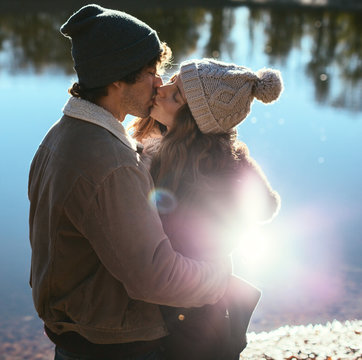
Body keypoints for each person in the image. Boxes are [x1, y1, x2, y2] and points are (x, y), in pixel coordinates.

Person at [28, 5, 236, 360]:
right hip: (113, 347)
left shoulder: (60, 135)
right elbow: (154, 276)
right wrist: (218, 278)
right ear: (116, 80)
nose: (159, 82)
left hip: (79, 336)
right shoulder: (109, 163)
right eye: (150, 73)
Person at [130, 58, 283, 359]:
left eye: (176, 96)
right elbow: (268, 206)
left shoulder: (184, 170)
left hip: (189, 313)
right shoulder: (224, 157)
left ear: (194, 121)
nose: (162, 89)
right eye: (172, 81)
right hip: (199, 299)